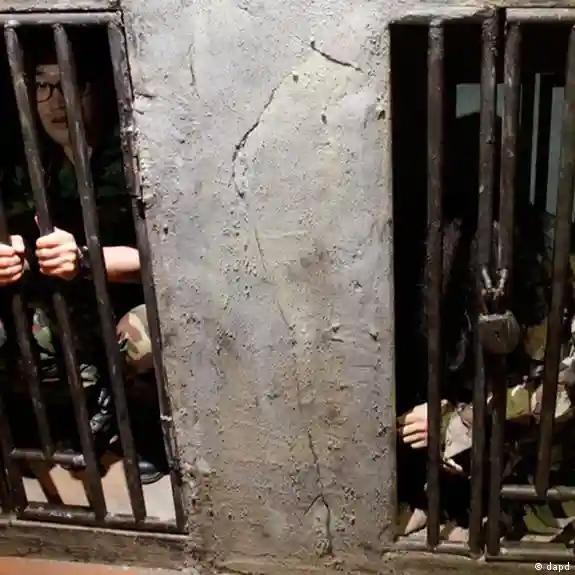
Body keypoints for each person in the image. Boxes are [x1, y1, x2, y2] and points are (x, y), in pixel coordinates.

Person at [396, 111, 575, 540]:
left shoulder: (554, 254)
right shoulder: (430, 247)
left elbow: (563, 389)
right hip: (456, 468)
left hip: (531, 476)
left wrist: (457, 422)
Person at [0, 27, 164, 485]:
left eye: (69, 82)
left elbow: (165, 258)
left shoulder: (134, 157)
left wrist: (87, 260)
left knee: (143, 337)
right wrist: (9, 255)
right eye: (42, 85)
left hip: (132, 297)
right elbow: (13, 232)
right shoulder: (30, 164)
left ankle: (146, 427)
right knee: (26, 333)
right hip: (70, 301)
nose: (54, 101)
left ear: (99, 89)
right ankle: (82, 410)